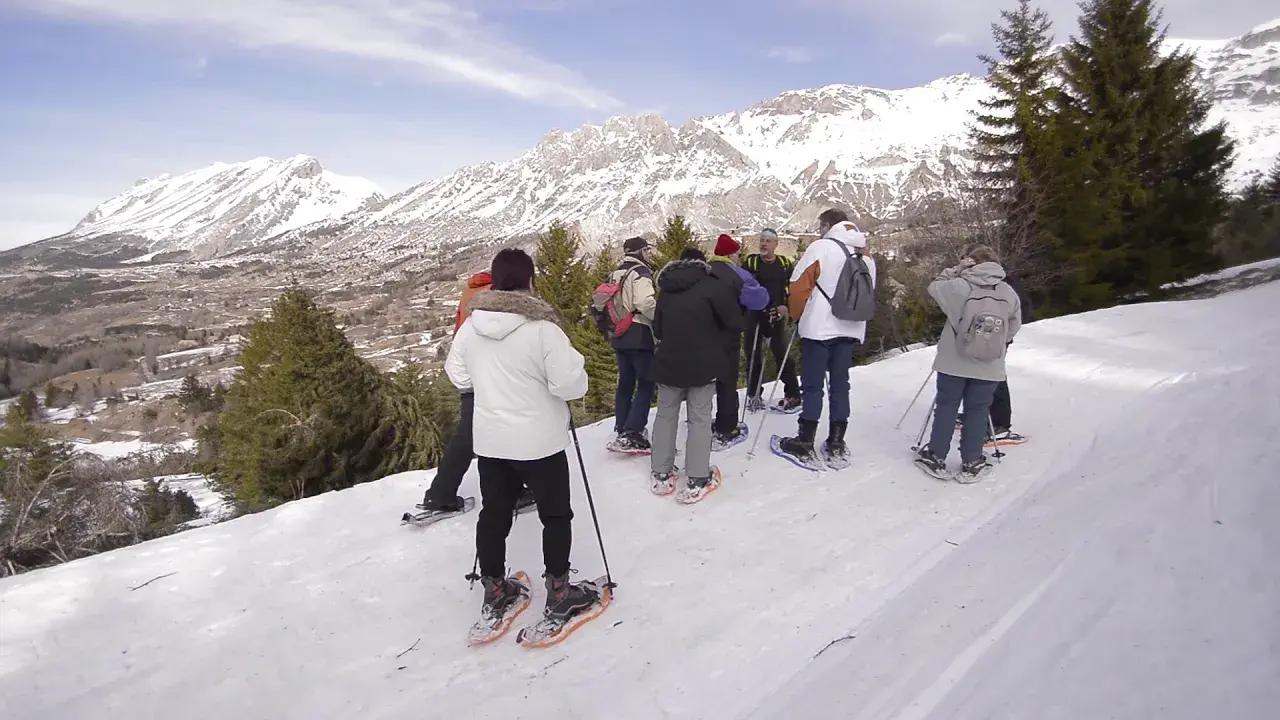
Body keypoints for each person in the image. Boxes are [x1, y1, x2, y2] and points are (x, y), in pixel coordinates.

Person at [445, 248, 599, 628]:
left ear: (494, 281)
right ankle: (560, 593)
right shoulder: (543, 329)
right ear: (530, 281)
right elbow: (569, 385)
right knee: (556, 515)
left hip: (492, 440)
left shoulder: (471, 327)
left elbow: (458, 376)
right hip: (539, 441)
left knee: (494, 515)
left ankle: (495, 590)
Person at [420, 269, 534, 514]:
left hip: (470, 372)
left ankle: (441, 493)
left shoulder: (473, 290)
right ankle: (507, 493)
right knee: (498, 432)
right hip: (489, 376)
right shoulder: (496, 296)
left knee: (472, 435)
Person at [774, 212, 877, 468]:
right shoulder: (866, 256)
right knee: (840, 386)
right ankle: (837, 441)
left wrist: (797, 315)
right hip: (850, 328)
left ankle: (805, 440)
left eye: (820, 225)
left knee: (812, 386)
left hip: (819, 328)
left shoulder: (821, 248)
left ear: (828, 225)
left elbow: (798, 286)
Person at [916, 244, 1022, 483]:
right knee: (978, 410)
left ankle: (936, 456)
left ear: (971, 262)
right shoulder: (1007, 291)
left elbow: (934, 287)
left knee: (947, 407)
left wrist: (956, 268)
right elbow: (1014, 324)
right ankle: (972, 460)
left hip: (953, 360)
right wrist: (994, 344)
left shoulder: (958, 286)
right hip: (990, 364)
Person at [649, 248, 744, 499]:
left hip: (668, 361)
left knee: (665, 415)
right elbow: (735, 323)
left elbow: (658, 329)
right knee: (699, 418)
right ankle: (697, 476)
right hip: (703, 362)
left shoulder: (667, 289)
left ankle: (661, 471)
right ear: (702, 264)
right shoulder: (712, 286)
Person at [707, 233, 770, 449]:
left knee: (703, 380)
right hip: (727, 333)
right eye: (737, 252)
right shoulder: (738, 274)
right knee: (727, 378)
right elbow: (759, 299)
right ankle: (727, 426)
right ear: (731, 253)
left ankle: (700, 424)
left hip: (702, 334)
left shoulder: (702, 271)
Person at [606, 236, 658, 453]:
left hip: (619, 332)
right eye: (646, 250)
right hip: (638, 331)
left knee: (625, 383)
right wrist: (660, 318)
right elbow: (644, 302)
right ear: (639, 252)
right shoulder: (641, 273)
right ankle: (633, 431)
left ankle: (622, 426)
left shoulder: (615, 272)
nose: (649, 254)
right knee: (646, 382)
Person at [741, 228, 801, 413]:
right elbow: (743, 286)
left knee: (781, 353)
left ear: (776, 244)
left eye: (768, 241)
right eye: (762, 240)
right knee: (753, 353)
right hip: (754, 312)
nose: (764, 244)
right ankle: (754, 394)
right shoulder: (751, 262)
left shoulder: (784, 263)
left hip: (776, 313)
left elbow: (792, 287)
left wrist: (787, 307)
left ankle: (793, 393)